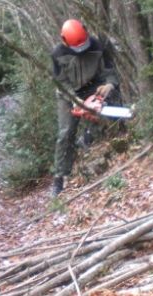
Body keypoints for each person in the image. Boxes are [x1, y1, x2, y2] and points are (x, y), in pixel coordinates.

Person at [51, 19, 119, 196]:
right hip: (68, 93)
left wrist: (109, 86)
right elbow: (60, 82)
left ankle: (88, 138)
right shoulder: (57, 53)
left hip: (92, 87)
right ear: (64, 41)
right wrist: (74, 99)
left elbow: (110, 73)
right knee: (65, 132)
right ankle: (59, 178)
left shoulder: (97, 46)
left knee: (101, 112)